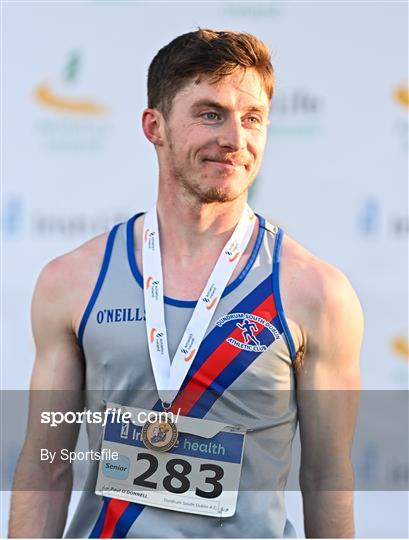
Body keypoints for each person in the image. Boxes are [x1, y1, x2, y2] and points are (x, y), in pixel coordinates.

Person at [9, 29, 363, 538]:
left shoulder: (316, 293)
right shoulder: (72, 282)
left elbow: (327, 477)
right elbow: (46, 465)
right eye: (210, 113)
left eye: (253, 118)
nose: (235, 140)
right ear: (155, 126)